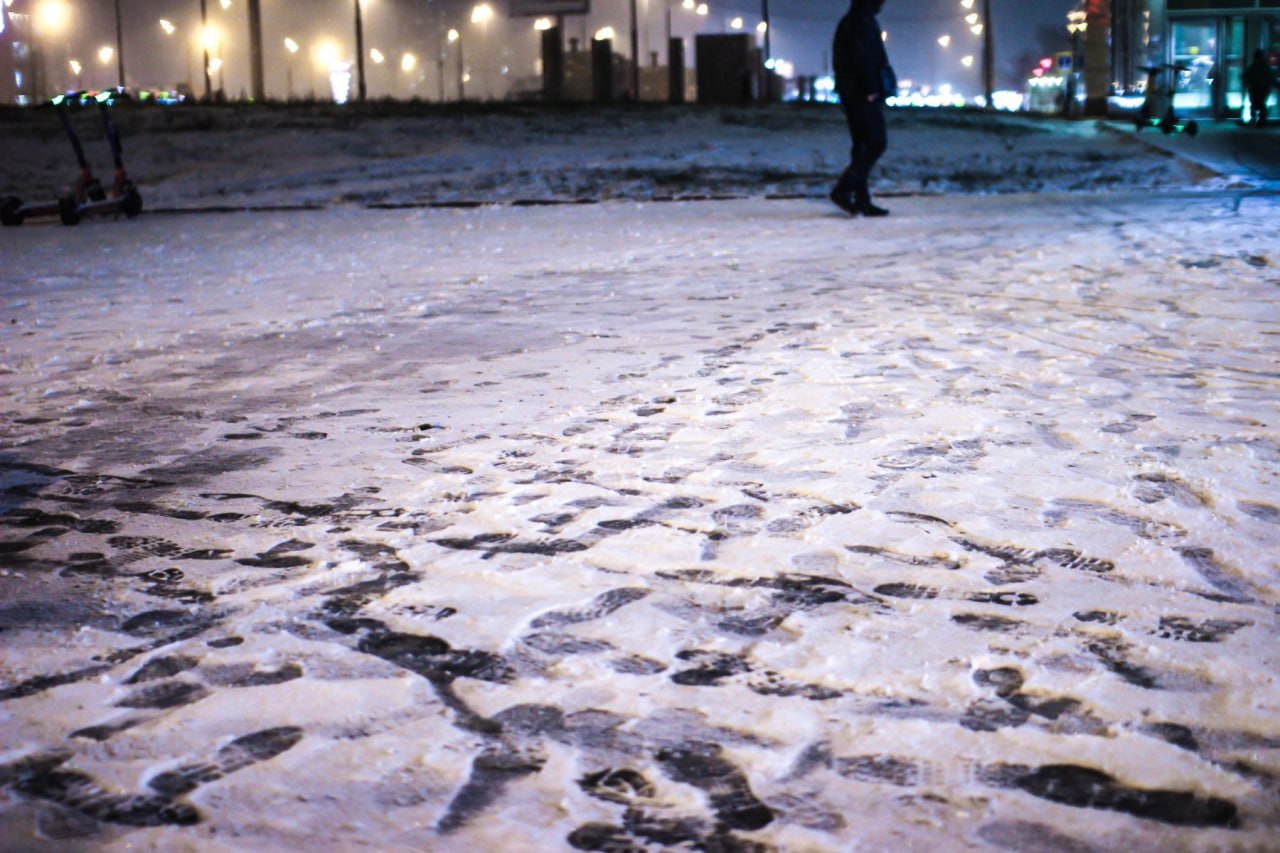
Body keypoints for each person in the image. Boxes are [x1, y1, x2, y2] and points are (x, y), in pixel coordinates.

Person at [830, 0, 896, 217]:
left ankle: (861, 200)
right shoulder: (862, 22)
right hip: (862, 93)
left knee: (861, 145)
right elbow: (864, 57)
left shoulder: (850, 21)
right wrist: (870, 88)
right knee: (876, 142)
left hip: (851, 92)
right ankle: (843, 189)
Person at [1242, 50, 1277, 126]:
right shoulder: (1265, 67)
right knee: (1261, 104)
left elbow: (1245, 76)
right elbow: (1271, 78)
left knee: (1254, 104)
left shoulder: (1253, 67)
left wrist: (1246, 84)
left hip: (1254, 88)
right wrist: (1276, 85)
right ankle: (1261, 120)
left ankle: (1254, 119)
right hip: (1263, 88)